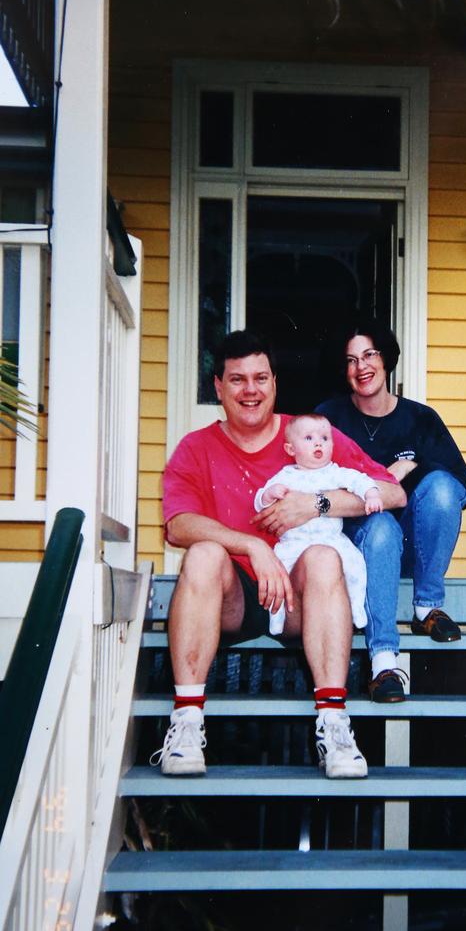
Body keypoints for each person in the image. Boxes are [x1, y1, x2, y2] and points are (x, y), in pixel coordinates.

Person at [153, 330, 406, 780]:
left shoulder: (307, 435)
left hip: (298, 599)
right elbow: (178, 525)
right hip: (233, 597)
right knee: (204, 555)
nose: (251, 390)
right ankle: (187, 724)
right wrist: (250, 544)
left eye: (260, 378)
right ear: (218, 386)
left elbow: (391, 492)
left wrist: (318, 503)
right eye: (237, 380)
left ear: (274, 382)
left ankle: (335, 724)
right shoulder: (196, 447)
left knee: (325, 555)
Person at [317, 320, 466, 704]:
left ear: (386, 360)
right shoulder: (330, 418)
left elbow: (461, 487)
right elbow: (314, 485)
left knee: (440, 487)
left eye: (369, 354)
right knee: (381, 524)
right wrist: (384, 489)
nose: (361, 367)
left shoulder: (420, 419)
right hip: (355, 544)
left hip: (413, 548)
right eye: (351, 360)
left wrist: (412, 467)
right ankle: (384, 662)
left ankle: (427, 607)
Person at [254, 412, 383, 635]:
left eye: (324, 438)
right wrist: (268, 495)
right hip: (293, 543)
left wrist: (370, 494)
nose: (318, 443)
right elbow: (259, 500)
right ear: (291, 450)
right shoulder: (285, 476)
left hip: (332, 541)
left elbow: (358, 480)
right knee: (279, 578)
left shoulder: (334, 473)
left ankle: (356, 611)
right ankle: (276, 619)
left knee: (356, 565)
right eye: (309, 438)